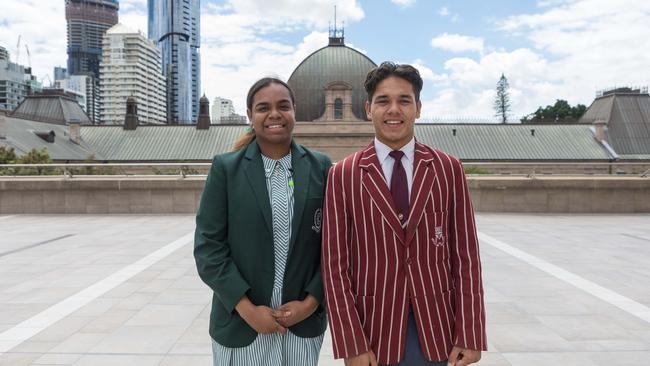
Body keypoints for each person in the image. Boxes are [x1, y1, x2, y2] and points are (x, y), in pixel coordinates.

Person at [321, 62, 486, 366]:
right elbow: (334, 268)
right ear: (369, 108)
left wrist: (471, 333)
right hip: (373, 332)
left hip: (439, 330)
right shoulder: (343, 175)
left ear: (418, 108)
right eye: (383, 101)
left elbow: (466, 258)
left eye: (404, 100)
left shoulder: (448, 169)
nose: (393, 109)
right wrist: (351, 342)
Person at [194, 77, 332, 366]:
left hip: (301, 328)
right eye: (263, 108)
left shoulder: (321, 167)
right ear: (250, 116)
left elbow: (336, 247)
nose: (274, 114)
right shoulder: (226, 169)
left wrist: (310, 304)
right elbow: (209, 248)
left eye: (283, 106)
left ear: (295, 111)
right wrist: (247, 310)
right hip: (241, 325)